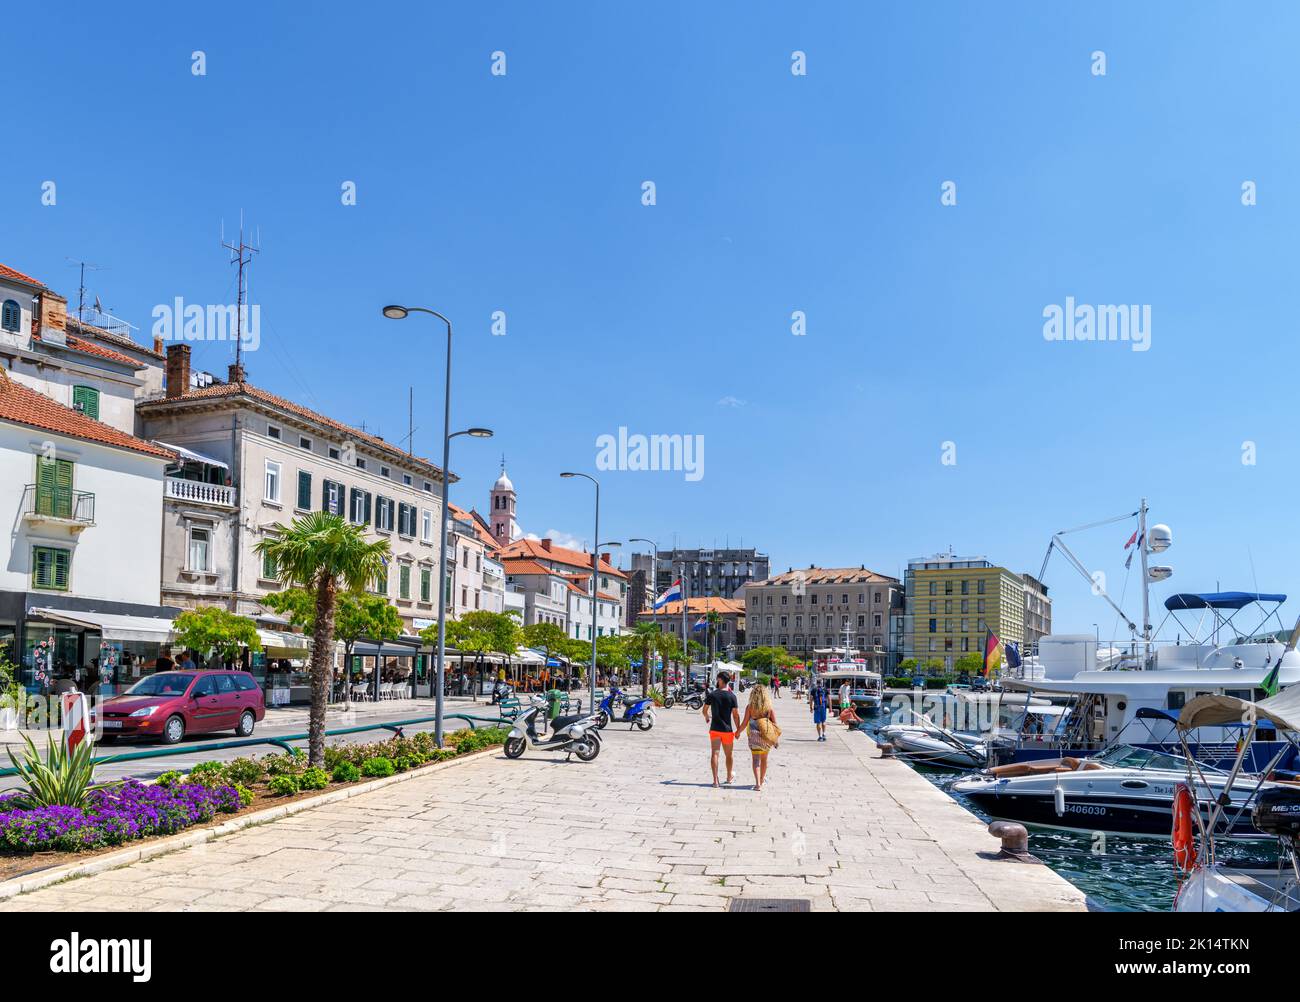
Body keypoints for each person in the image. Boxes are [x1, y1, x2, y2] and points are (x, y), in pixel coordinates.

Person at [702, 670, 740, 788]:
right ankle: (729, 777)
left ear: (720, 680)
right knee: (729, 755)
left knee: (715, 754)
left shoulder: (712, 695)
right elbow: (735, 715)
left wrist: (707, 717)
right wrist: (738, 730)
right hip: (727, 730)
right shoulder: (732, 696)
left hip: (715, 729)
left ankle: (715, 781)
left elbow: (704, 710)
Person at [738, 684, 778, 791]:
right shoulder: (769, 708)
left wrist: (737, 732)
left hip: (753, 736)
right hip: (766, 737)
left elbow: (744, 723)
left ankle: (757, 784)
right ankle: (762, 779)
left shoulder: (750, 707)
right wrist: (775, 740)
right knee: (764, 760)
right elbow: (775, 724)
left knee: (755, 760)